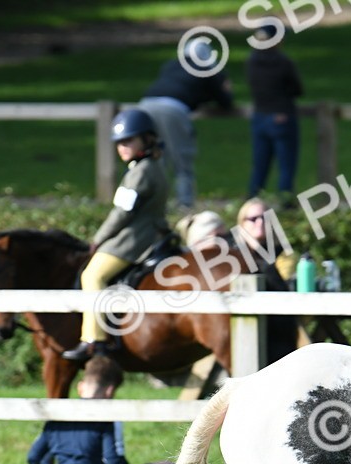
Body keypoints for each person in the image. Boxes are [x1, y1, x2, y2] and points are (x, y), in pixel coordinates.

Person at [62, 109, 170, 362]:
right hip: (149, 232)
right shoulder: (150, 166)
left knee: (93, 275)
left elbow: (122, 213)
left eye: (128, 141)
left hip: (135, 239)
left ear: (146, 139)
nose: (122, 147)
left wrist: (98, 238)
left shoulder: (140, 172)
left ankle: (93, 340)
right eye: (119, 142)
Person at [139, 38, 234, 209]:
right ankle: (184, 205)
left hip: (145, 104)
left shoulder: (172, 65)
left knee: (152, 157)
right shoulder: (206, 69)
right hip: (172, 109)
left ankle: (150, 203)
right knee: (182, 159)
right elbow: (225, 101)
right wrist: (226, 88)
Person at [27, 356, 144, 464]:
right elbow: (112, 461)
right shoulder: (105, 419)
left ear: (80, 387)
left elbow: (33, 458)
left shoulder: (58, 416)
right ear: (110, 391)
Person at [235, 198, 299, 363]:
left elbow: (282, 289)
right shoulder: (232, 256)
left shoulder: (285, 253)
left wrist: (256, 249)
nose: (260, 222)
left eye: (265, 218)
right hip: (239, 330)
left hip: (279, 330)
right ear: (241, 224)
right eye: (253, 218)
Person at [246, 24, 304, 203]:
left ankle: (251, 202)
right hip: (282, 116)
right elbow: (297, 89)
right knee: (286, 167)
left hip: (260, 117)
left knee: (260, 166)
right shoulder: (283, 62)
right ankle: (286, 204)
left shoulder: (251, 61)